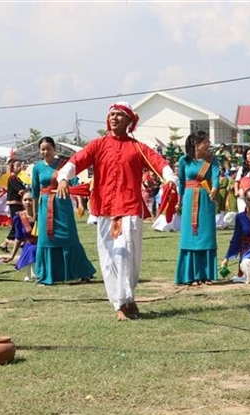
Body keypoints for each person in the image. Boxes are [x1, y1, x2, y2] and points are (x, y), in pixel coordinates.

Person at [57, 101, 177, 321]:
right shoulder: (98, 145)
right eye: (111, 114)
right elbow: (77, 160)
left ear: (129, 121)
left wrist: (170, 178)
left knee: (130, 256)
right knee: (111, 257)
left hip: (131, 208)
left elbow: (158, 162)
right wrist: (64, 177)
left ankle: (128, 297)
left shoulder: (137, 147)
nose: (114, 118)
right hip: (104, 210)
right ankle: (119, 303)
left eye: (119, 115)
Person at [32, 136, 96, 285]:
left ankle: (81, 272)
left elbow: (74, 184)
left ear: (54, 149)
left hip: (62, 205)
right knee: (46, 239)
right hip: (44, 207)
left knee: (69, 236)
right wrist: (34, 213)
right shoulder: (37, 168)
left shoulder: (63, 165)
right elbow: (35, 191)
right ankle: (46, 275)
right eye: (42, 149)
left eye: (48, 148)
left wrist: (80, 203)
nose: (45, 151)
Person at [175, 131, 219, 286]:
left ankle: (206, 274)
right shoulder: (184, 161)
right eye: (205, 142)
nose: (208, 144)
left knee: (206, 235)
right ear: (196, 144)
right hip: (188, 199)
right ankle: (190, 275)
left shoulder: (212, 160)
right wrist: (179, 200)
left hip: (206, 199)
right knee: (190, 236)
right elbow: (181, 182)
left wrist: (214, 188)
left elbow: (215, 177)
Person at [0, 191, 37, 282]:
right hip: (28, 245)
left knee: (34, 249)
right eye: (25, 200)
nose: (28, 202)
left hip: (42, 244)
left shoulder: (41, 215)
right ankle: (29, 273)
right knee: (30, 248)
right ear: (22, 201)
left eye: (30, 200)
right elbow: (18, 238)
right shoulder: (19, 217)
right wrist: (12, 256)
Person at [0, 160, 26, 251]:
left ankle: (6, 243)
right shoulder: (12, 178)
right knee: (17, 223)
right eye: (17, 165)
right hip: (14, 203)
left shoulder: (17, 178)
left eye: (20, 165)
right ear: (12, 167)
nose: (19, 167)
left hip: (18, 203)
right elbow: (20, 190)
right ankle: (19, 242)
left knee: (18, 223)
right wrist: (27, 191)